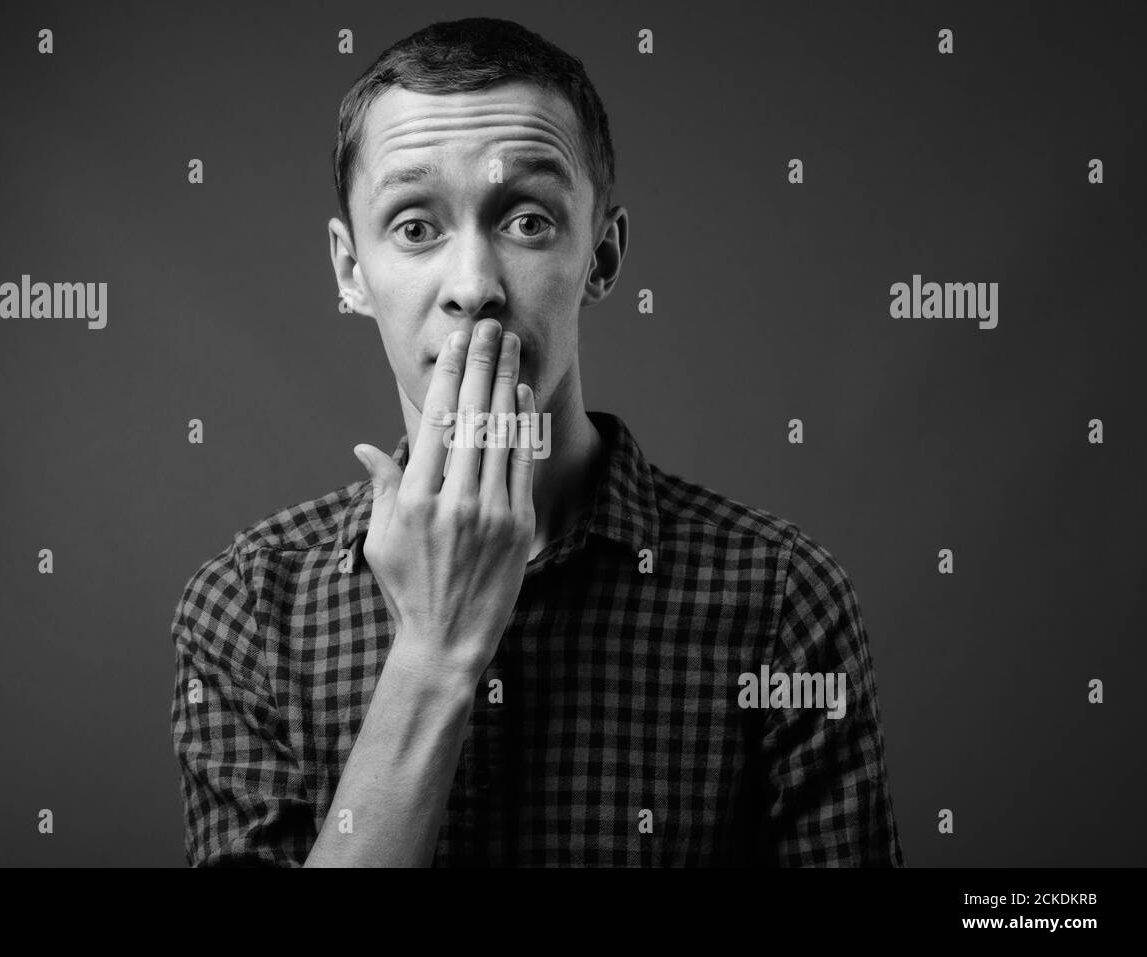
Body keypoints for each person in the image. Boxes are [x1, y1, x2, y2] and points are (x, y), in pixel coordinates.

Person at [170, 16, 904, 867]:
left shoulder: (783, 599)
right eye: (415, 226)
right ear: (350, 271)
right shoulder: (247, 609)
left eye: (526, 221)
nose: (475, 286)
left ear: (602, 255)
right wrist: (435, 652)